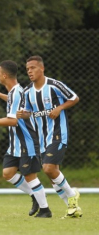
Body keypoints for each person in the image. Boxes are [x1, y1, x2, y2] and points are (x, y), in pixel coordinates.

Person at [0, 60, 51, 218]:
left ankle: (45, 209)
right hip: (15, 144)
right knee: (8, 173)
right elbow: (12, 102)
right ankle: (34, 196)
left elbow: (13, 121)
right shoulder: (14, 92)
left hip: (26, 142)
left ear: (3, 75)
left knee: (30, 176)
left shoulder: (17, 92)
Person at [17, 55, 82, 218]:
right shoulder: (27, 92)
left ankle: (72, 195)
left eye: (32, 68)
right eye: (27, 69)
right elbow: (27, 113)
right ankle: (72, 209)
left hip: (58, 134)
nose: (29, 72)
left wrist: (59, 108)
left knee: (48, 168)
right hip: (42, 138)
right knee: (52, 175)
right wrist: (22, 114)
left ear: (42, 68)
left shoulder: (54, 85)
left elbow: (74, 98)